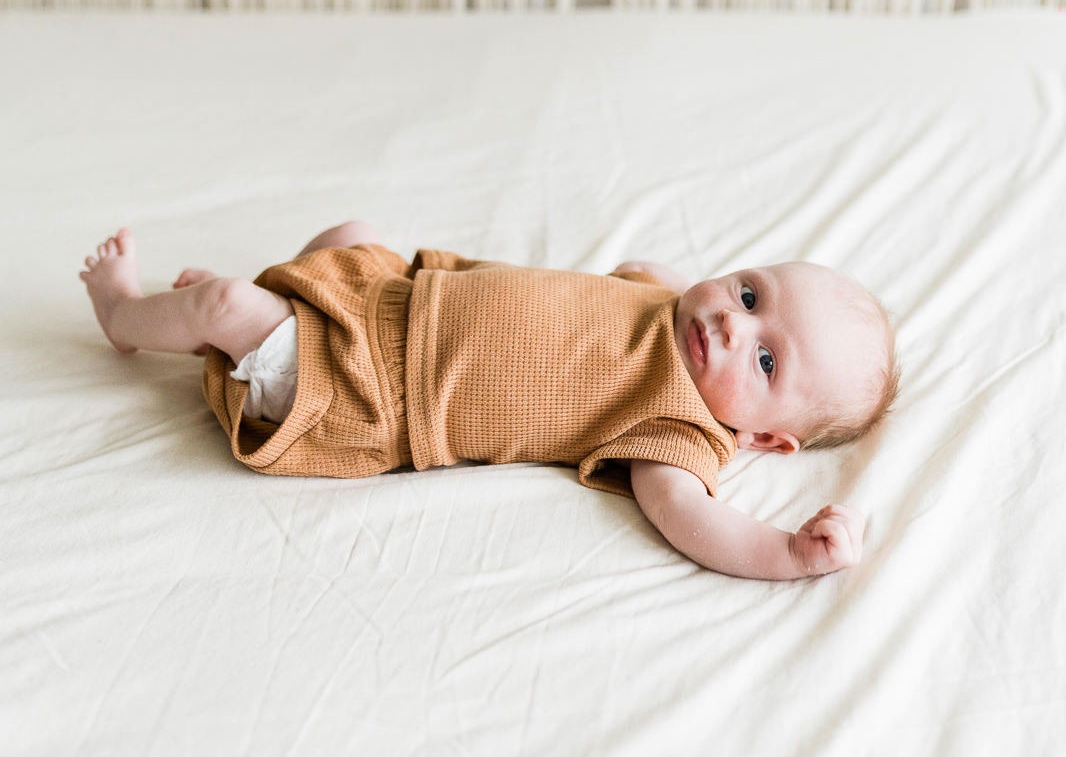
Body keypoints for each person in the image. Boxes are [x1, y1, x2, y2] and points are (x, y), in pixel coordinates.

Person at [80, 219, 899, 581]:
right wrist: (693, 295)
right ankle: (245, 329)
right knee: (344, 233)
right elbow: (660, 275)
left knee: (224, 305)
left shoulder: (679, 431)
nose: (728, 322)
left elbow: (694, 520)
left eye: (763, 359)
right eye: (751, 291)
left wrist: (789, 555)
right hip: (392, 296)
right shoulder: (675, 307)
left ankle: (132, 316)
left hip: (369, 387)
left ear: (764, 440)